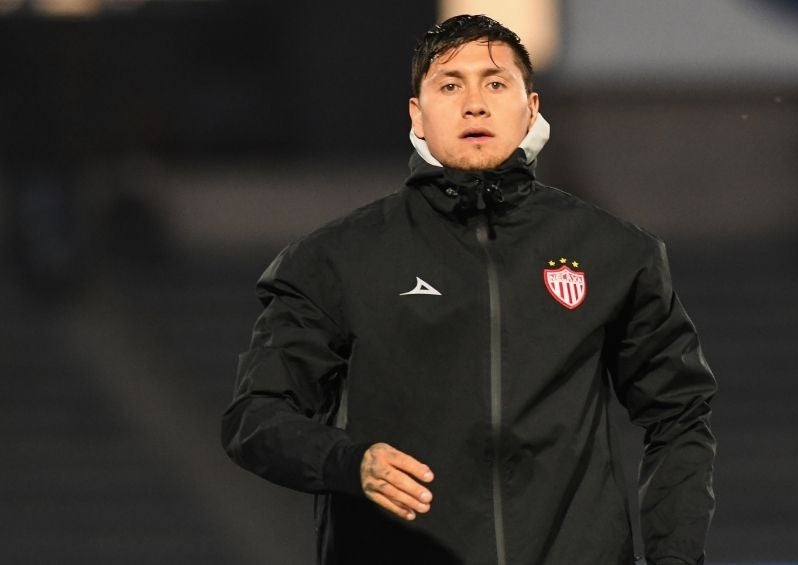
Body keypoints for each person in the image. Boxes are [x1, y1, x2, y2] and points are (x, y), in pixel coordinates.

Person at [222, 14, 716, 565]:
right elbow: (256, 417)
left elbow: (680, 415)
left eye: (495, 83)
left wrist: (675, 559)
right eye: (450, 85)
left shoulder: (614, 252)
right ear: (417, 113)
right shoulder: (337, 258)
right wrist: (348, 461)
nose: (474, 104)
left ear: (531, 107)